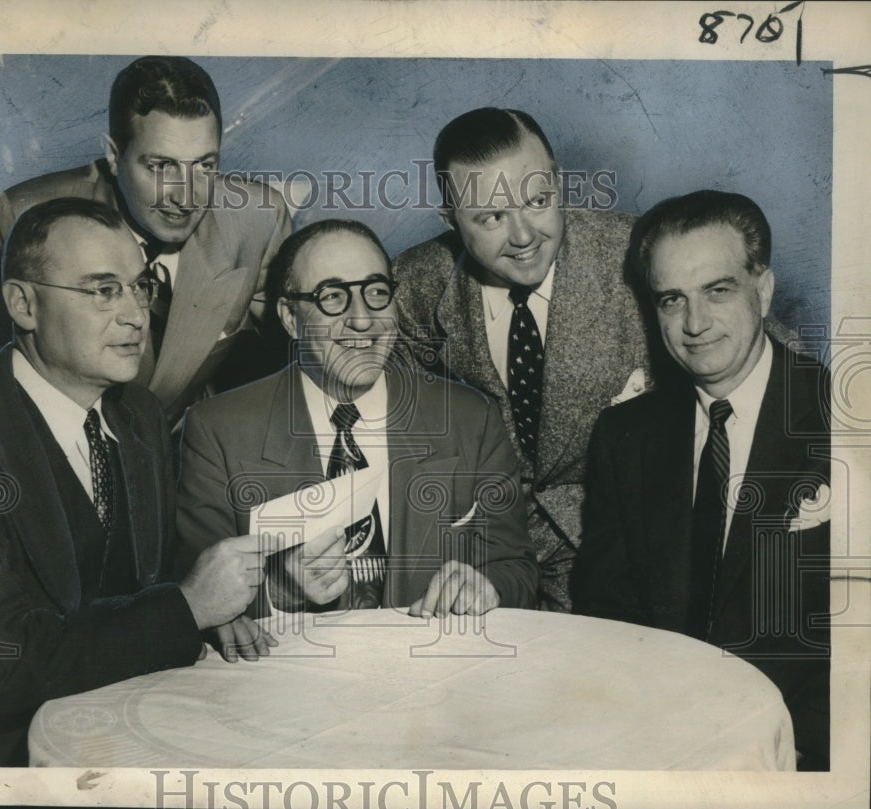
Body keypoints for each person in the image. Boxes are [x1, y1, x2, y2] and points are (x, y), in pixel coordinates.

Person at [0, 198, 279, 767]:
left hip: (132, 728)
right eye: (102, 290)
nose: (137, 315)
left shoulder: (136, 413)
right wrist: (186, 608)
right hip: (3, 766)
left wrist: (209, 613)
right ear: (23, 304)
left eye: (139, 287)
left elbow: (148, 579)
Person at [571, 190, 831, 769]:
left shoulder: (845, 420)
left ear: (762, 289)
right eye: (671, 300)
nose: (695, 323)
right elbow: (604, 615)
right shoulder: (624, 436)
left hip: (803, 754)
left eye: (718, 290)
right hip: (652, 744)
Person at [177, 219, 539, 615]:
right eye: (332, 297)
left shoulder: (472, 418)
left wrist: (487, 587)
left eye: (377, 292)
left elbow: (515, 570)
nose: (363, 319)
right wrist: (278, 592)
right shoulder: (217, 430)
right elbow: (194, 600)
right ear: (288, 316)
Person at [0, 55, 290, 425]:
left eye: (205, 166)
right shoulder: (26, 216)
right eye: (162, 166)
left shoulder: (256, 220)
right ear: (114, 156)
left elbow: (295, 351)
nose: (187, 198)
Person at [392, 107, 651, 611]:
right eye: (490, 217)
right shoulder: (413, 286)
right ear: (450, 221)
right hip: (477, 563)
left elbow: (768, 359)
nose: (524, 235)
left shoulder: (640, 253)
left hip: (627, 551)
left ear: (559, 182)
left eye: (538, 200)